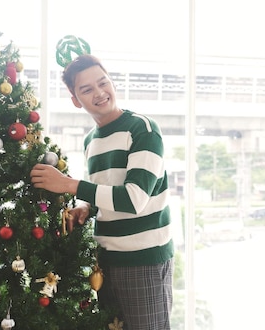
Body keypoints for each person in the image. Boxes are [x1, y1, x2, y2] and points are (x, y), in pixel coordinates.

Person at [30, 53, 174, 330]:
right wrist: (86, 207)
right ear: (75, 100)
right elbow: (105, 191)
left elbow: (133, 199)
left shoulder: (142, 129)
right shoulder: (91, 141)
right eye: (86, 89)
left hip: (143, 262)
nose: (99, 93)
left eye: (102, 82)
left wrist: (69, 185)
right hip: (105, 262)